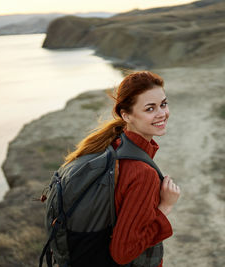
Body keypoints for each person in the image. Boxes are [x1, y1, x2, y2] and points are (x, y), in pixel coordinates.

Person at [62, 71, 181, 266]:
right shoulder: (142, 174)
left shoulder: (114, 144)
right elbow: (123, 252)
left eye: (163, 104)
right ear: (126, 115)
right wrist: (165, 207)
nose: (162, 113)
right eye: (150, 109)